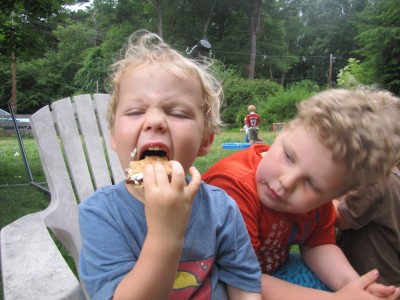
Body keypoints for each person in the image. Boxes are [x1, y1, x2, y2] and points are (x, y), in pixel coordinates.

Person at [78, 30, 261, 300]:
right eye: (136, 111)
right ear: (115, 136)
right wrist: (165, 234)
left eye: (177, 113)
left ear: (204, 141)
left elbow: (244, 285)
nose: (155, 121)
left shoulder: (220, 209)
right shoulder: (101, 215)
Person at [203, 88, 400, 299]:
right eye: (289, 156)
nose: (286, 182)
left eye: (311, 183)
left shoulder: (319, 203)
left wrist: (353, 285)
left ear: (335, 195)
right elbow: (240, 279)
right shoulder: (233, 189)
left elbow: (318, 245)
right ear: (286, 130)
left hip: (267, 273)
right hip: (214, 277)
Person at [334, 152, 400, 286]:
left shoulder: (380, 180)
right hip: (390, 282)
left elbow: (340, 218)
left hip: (370, 283)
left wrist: (321, 193)